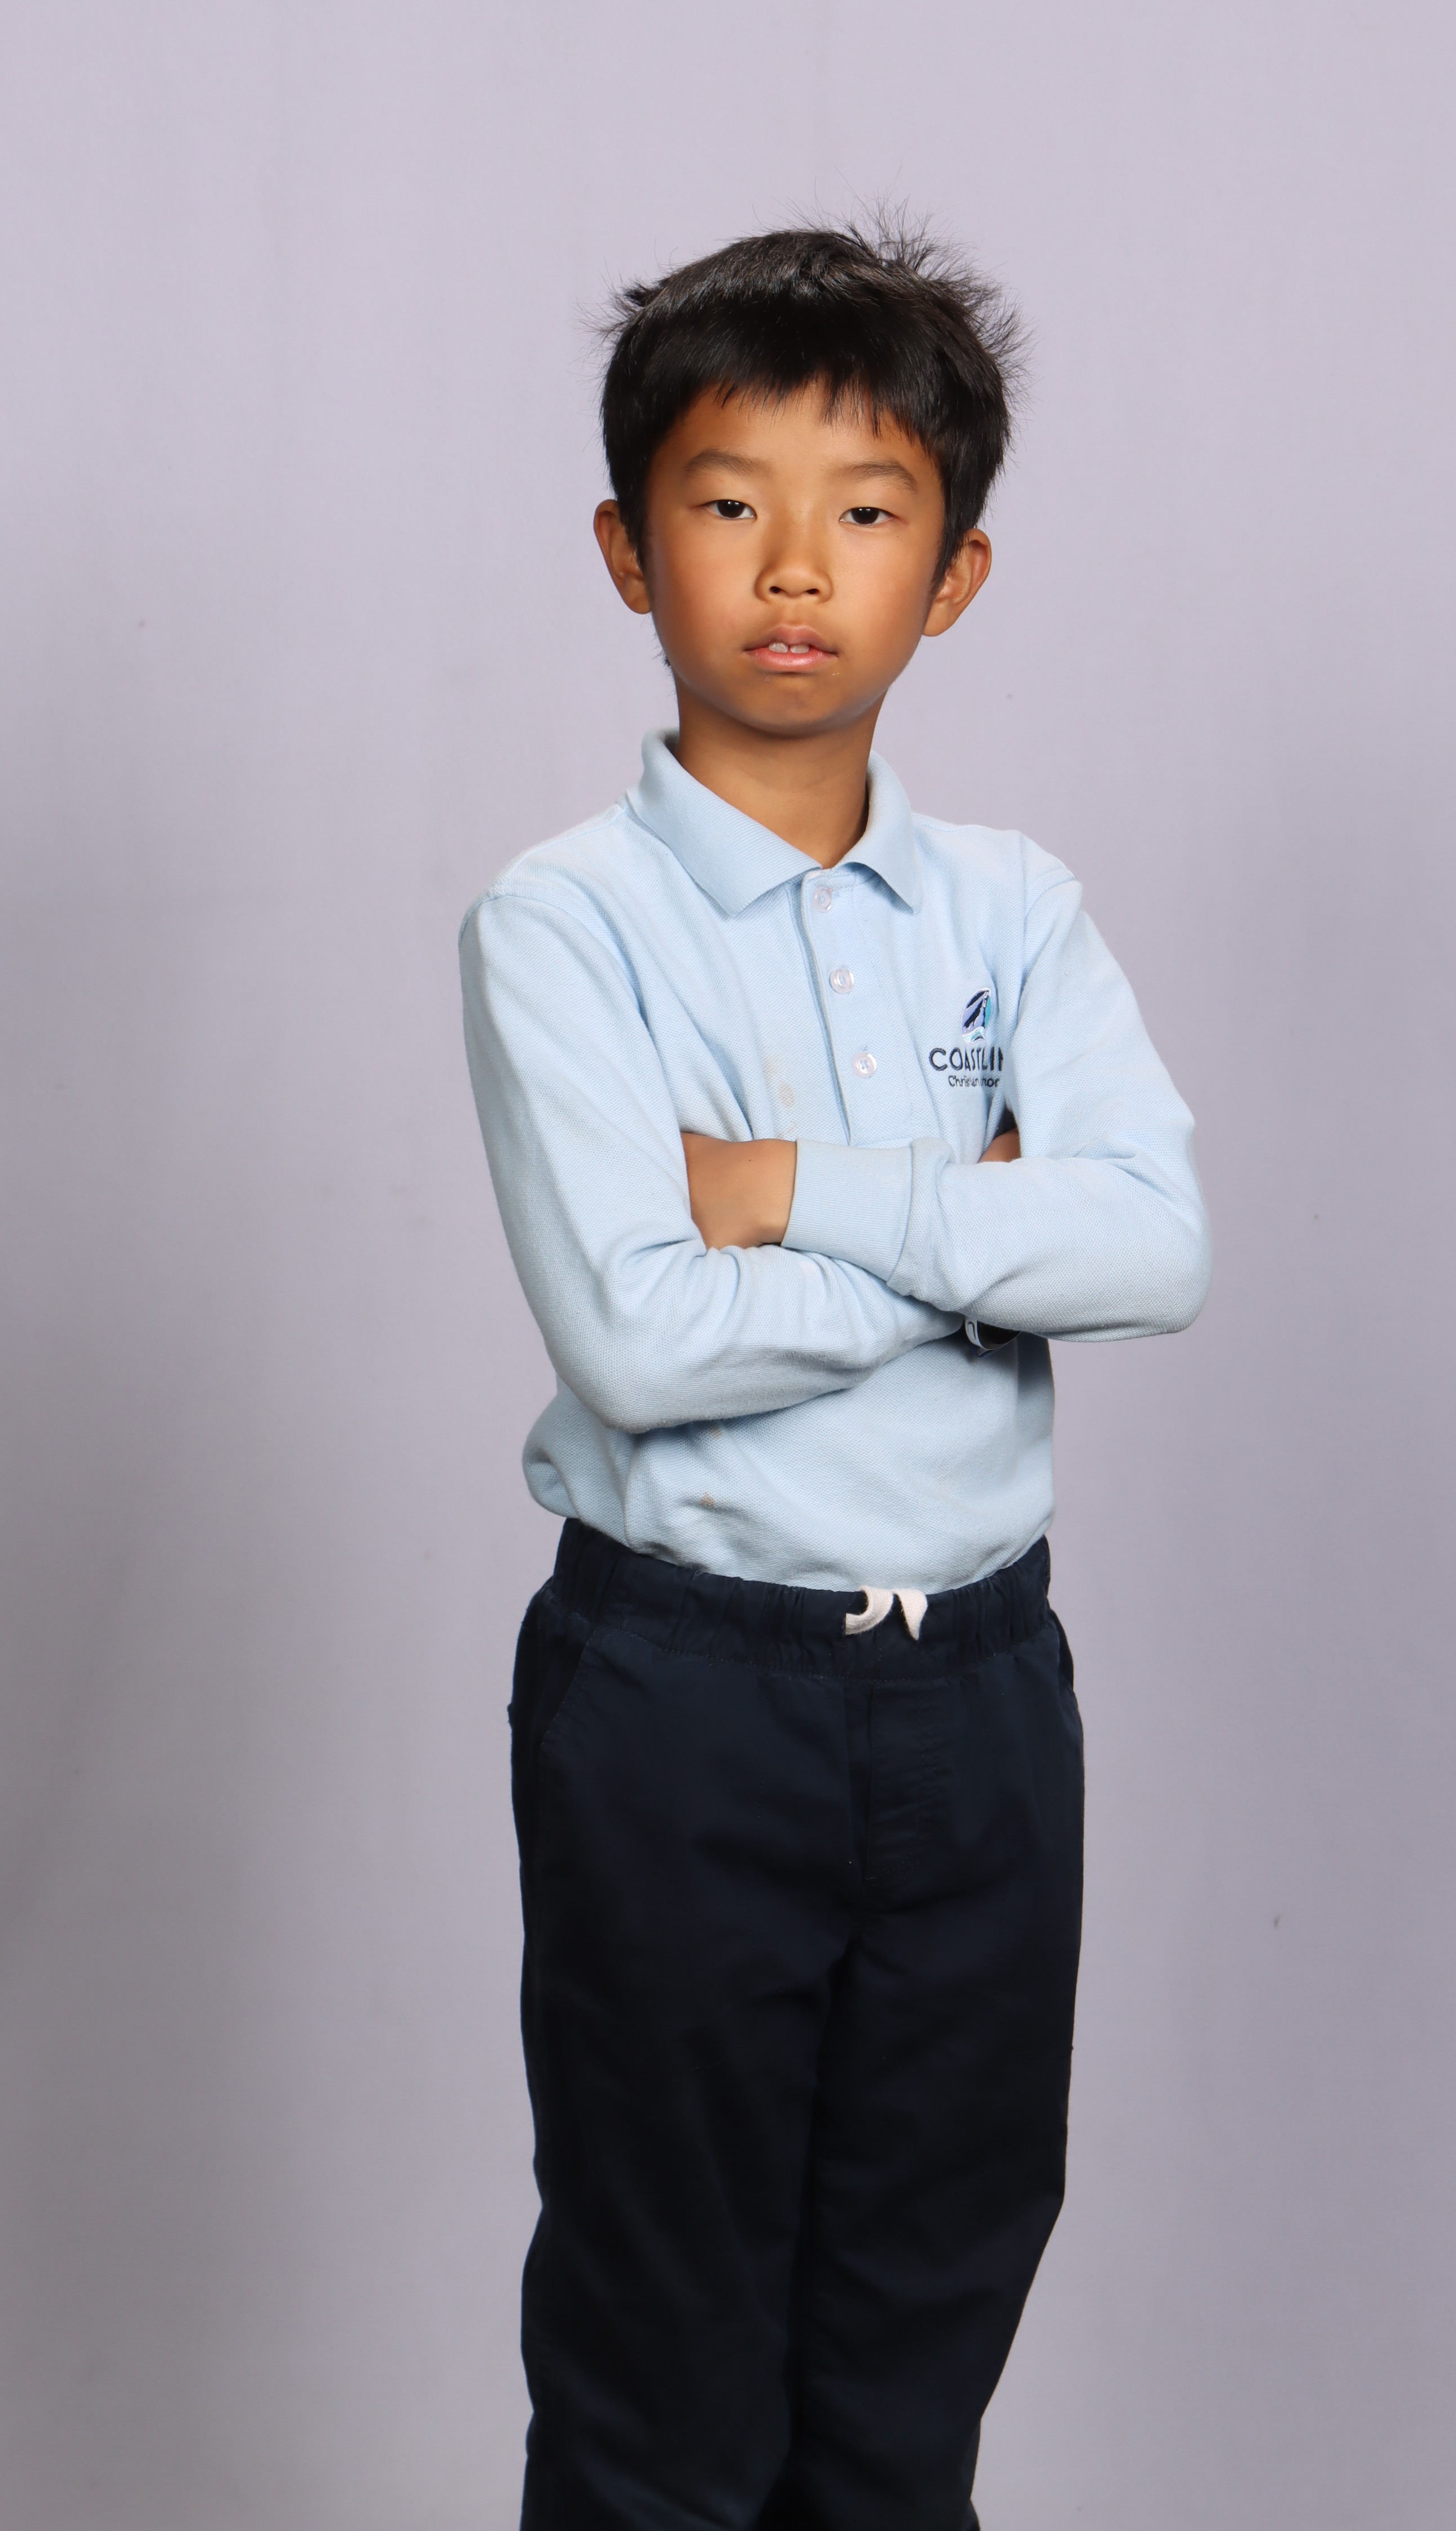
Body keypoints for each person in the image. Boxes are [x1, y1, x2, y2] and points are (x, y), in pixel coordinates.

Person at [458, 221, 1211, 2531]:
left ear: (950, 576)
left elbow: (1158, 1249)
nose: (795, 565)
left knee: (913, 2352)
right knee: (664, 2374)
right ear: (628, 550)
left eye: (866, 510)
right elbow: (637, 1340)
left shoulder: (1014, 910)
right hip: (691, 1697)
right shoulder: (564, 924)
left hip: (979, 1700)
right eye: (726, 502)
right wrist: (978, 1237)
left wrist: (795, 1189)